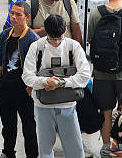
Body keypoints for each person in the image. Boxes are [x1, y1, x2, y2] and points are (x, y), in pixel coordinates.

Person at [22, 14, 91, 158]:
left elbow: (85, 75)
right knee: (45, 149)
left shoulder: (73, 46)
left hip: (68, 105)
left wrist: (63, 83)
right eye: (53, 39)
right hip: (43, 106)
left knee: (75, 149)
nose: (57, 43)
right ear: (46, 32)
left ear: (65, 30)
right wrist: (45, 82)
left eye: (60, 39)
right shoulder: (37, 47)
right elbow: (27, 77)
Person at [86, 0, 122, 149]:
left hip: (101, 72)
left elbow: (90, 38)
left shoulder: (96, 13)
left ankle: (106, 148)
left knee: (106, 113)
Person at [0, 0, 39, 158]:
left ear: (27, 17)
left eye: (18, 14)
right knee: (8, 124)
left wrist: (30, 87)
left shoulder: (32, 39)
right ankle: (8, 152)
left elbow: (36, 66)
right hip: (6, 86)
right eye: (12, 13)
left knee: (29, 125)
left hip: (24, 88)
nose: (13, 17)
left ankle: (32, 154)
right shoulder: (4, 35)